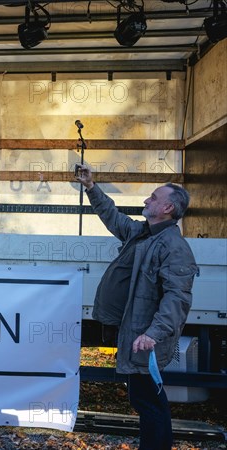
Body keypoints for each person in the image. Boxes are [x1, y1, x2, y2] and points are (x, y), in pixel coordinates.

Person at [74, 164, 198, 450]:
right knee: (143, 398)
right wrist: (92, 187)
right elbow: (113, 218)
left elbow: (177, 298)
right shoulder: (144, 233)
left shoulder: (173, 247)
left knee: (148, 400)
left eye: (153, 197)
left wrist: (154, 333)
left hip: (144, 336)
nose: (146, 200)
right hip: (132, 331)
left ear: (167, 207)